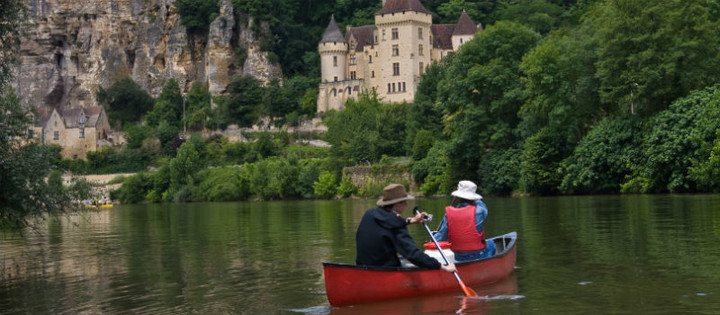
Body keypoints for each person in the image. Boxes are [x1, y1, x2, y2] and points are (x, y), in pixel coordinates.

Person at [356, 184, 456, 273]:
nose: (406, 205)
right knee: (412, 264)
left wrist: (411, 220)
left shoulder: (369, 214)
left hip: (363, 267)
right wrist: (443, 267)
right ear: (397, 204)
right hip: (385, 270)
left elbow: (390, 223)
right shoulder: (396, 224)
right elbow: (413, 254)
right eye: (404, 202)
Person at [433, 180, 496, 261]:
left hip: (457, 256)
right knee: (491, 244)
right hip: (478, 255)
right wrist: (473, 197)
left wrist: (434, 236)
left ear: (458, 197)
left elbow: (440, 239)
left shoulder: (448, 214)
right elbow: (482, 205)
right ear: (473, 197)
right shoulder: (480, 211)